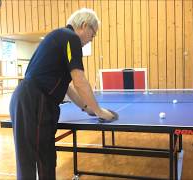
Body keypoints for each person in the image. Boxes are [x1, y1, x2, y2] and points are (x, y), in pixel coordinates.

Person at [9, 8, 116, 180]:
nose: (90, 40)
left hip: (27, 98)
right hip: (35, 101)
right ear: (84, 25)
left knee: (30, 160)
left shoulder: (60, 37)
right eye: (92, 34)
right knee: (43, 159)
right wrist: (99, 111)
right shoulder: (71, 38)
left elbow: (67, 86)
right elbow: (79, 80)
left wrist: (86, 107)